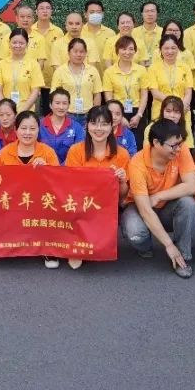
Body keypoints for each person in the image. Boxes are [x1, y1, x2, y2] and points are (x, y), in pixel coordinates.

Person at [121, 119, 195, 278]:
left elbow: (191, 186)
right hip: (139, 206)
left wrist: (158, 196)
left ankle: (182, 255)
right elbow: (145, 210)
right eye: (173, 146)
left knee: (188, 204)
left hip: (167, 205)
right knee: (135, 232)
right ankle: (146, 246)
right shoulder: (137, 163)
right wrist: (168, 245)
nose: (178, 149)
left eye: (180, 144)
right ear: (156, 143)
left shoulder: (181, 150)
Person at [63, 105, 131, 269]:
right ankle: (77, 243)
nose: (98, 129)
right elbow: (70, 185)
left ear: (112, 126)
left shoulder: (122, 154)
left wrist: (121, 181)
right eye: (94, 123)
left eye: (104, 124)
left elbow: (122, 196)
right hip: (81, 205)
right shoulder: (75, 150)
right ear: (87, 126)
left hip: (108, 207)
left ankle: (93, 241)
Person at [145, 35, 193, 130]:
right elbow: (155, 93)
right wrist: (176, 105)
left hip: (182, 111)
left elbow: (188, 92)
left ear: (178, 49)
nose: (170, 51)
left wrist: (181, 107)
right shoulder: (153, 68)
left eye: (173, 48)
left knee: (183, 138)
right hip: (160, 112)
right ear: (160, 50)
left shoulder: (185, 67)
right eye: (166, 48)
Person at [102, 35, 147, 137]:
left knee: (138, 143)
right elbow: (109, 97)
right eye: (123, 49)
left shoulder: (142, 70)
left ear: (135, 51)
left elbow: (144, 95)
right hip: (117, 112)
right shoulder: (109, 72)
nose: (127, 52)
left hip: (138, 112)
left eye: (131, 49)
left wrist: (139, 115)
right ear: (117, 51)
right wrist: (120, 117)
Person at [50, 37, 102, 123]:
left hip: (88, 115)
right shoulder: (60, 71)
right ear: (68, 52)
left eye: (82, 52)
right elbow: (54, 95)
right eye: (75, 51)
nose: (79, 54)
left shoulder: (92, 70)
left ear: (86, 53)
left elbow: (97, 94)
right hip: (66, 115)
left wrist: (94, 114)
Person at [0, 28, 45, 112]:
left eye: (21, 43)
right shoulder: (2, 64)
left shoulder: (34, 64)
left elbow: (35, 91)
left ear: (27, 44)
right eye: (14, 42)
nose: (17, 46)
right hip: (6, 113)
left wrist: (23, 111)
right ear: (9, 43)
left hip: (26, 112)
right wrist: (5, 109)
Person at [0, 4, 48, 70]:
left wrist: (33, 74)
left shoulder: (40, 38)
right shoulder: (8, 37)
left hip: (32, 74)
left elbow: (41, 62)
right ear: (17, 19)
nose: (25, 20)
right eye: (22, 17)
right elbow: (2, 60)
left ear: (33, 19)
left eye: (28, 17)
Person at [34, 0, 65, 108]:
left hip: (53, 79)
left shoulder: (58, 32)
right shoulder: (29, 30)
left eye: (48, 8)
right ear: (36, 11)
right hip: (33, 79)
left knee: (50, 111)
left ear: (51, 11)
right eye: (41, 8)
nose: (45, 11)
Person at [39, 88, 83, 163]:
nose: (61, 107)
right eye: (57, 103)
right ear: (50, 105)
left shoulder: (76, 127)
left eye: (64, 103)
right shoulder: (39, 125)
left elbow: (79, 152)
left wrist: (61, 167)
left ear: (69, 105)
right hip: (44, 167)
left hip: (68, 167)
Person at [80, 0, 115, 74]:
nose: (95, 15)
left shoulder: (111, 33)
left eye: (98, 12)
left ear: (103, 14)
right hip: (84, 77)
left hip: (106, 77)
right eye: (92, 12)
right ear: (85, 14)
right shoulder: (79, 33)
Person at [131, 1, 162, 67]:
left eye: (152, 11)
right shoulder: (132, 32)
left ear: (157, 13)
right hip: (137, 70)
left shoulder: (164, 32)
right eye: (146, 11)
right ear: (142, 13)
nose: (150, 14)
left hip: (158, 70)